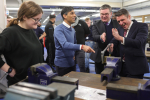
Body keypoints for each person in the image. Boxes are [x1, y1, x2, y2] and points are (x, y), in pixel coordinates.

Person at [0, 1, 43, 86]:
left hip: (34, 80)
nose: (38, 22)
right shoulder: (10, 32)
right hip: (20, 83)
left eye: (39, 19)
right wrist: (8, 70)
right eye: (35, 19)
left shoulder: (30, 31)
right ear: (24, 17)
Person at [54, 6, 95, 76]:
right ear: (65, 16)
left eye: (74, 13)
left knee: (72, 84)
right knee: (62, 85)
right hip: (62, 65)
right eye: (72, 13)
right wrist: (82, 46)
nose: (75, 15)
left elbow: (74, 43)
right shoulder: (58, 29)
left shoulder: (72, 29)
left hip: (72, 63)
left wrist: (74, 54)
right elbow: (64, 44)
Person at [110, 9, 149, 79]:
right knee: (121, 88)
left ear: (129, 17)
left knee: (133, 89)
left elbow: (138, 42)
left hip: (136, 66)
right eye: (118, 21)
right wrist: (111, 45)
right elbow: (114, 41)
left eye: (122, 20)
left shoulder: (141, 26)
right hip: (122, 66)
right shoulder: (120, 29)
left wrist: (120, 38)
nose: (121, 23)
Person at [90, 4, 120, 74]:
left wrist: (113, 44)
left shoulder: (117, 23)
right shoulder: (96, 24)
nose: (104, 16)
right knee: (99, 76)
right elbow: (94, 36)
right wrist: (100, 37)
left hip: (114, 54)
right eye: (102, 14)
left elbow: (119, 36)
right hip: (99, 56)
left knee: (113, 75)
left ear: (111, 14)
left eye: (106, 14)